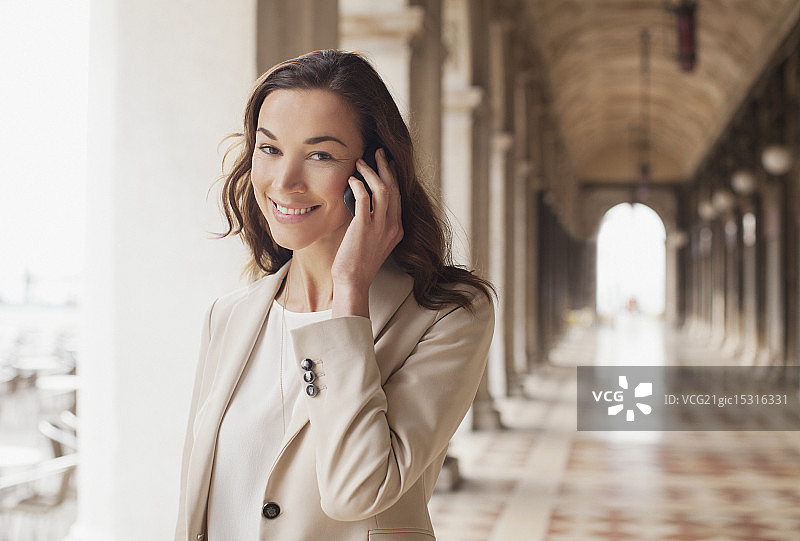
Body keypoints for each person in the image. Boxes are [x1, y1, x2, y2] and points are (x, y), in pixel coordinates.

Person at [175, 49, 494, 541]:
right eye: (269, 149)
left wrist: (350, 294)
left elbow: (357, 492)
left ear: (374, 175)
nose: (284, 182)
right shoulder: (230, 317)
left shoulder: (447, 316)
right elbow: (195, 508)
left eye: (320, 155)